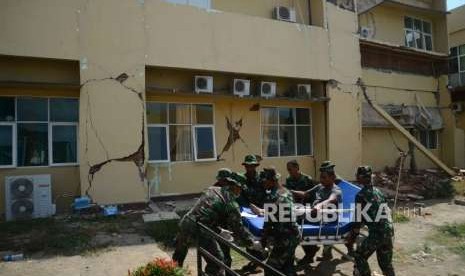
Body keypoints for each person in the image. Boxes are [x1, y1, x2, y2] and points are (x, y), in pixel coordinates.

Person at [172, 170, 259, 276]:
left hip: (186, 223)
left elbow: (204, 213)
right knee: (217, 261)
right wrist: (251, 242)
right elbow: (238, 228)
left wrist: (219, 230)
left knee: (177, 258)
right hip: (201, 229)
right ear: (236, 187)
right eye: (240, 189)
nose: (240, 192)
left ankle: (171, 273)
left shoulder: (212, 189)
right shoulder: (231, 203)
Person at [348, 166, 395, 276]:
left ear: (361, 177)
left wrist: (351, 238)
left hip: (377, 234)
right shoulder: (379, 192)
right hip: (388, 231)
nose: (356, 177)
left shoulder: (361, 195)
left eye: (357, 175)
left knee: (359, 256)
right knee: (386, 264)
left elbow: (357, 222)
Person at [299, 161, 343, 264]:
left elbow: (331, 200)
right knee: (295, 219)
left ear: (332, 178)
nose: (321, 180)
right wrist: (289, 191)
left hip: (328, 220)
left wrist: (319, 205)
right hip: (317, 216)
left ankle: (310, 252)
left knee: (295, 225)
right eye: (321, 177)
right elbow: (305, 194)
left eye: (324, 177)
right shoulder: (320, 186)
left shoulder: (336, 190)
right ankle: (312, 250)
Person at [260, 166, 300, 276]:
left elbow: (268, 222)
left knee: (270, 269)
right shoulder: (286, 192)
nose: (263, 183)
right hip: (294, 234)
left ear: (270, 181)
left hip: (285, 238)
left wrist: (263, 239)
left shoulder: (272, 197)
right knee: (287, 267)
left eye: (264, 181)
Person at [284, 160, 319, 266]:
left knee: (298, 230)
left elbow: (309, 196)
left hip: (308, 208)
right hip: (295, 208)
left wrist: (293, 193)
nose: (289, 171)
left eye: (290, 169)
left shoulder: (306, 179)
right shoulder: (289, 179)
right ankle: (310, 252)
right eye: (288, 169)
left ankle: (310, 252)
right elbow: (288, 194)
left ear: (297, 168)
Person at [236, 154, 267, 273]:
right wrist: (248, 207)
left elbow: (268, 194)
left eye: (252, 166)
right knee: (249, 238)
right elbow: (240, 197)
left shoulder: (262, 179)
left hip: (262, 212)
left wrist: (262, 210)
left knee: (262, 237)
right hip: (248, 212)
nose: (249, 168)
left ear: (255, 166)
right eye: (247, 166)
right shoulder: (241, 180)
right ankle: (256, 262)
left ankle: (258, 262)